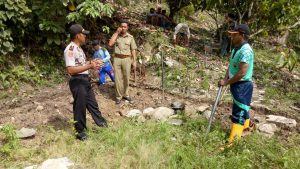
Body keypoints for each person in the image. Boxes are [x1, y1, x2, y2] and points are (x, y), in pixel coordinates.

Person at [64, 24, 108, 141]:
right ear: (78, 35)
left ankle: (102, 124)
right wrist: (89, 65)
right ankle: (80, 131)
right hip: (77, 81)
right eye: (83, 34)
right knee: (80, 107)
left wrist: (92, 63)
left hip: (85, 80)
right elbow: (71, 69)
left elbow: (81, 64)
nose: (85, 37)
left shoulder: (79, 49)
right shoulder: (70, 49)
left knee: (93, 104)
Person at [218, 24, 254, 144]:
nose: (231, 37)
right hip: (236, 84)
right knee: (242, 107)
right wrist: (225, 78)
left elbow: (242, 73)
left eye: (234, 35)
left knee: (239, 112)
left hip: (242, 86)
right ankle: (248, 127)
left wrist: (227, 82)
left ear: (242, 35)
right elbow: (232, 66)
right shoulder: (236, 48)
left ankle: (232, 143)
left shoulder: (246, 51)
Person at [108, 21, 137, 104]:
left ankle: (126, 94)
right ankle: (118, 96)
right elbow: (110, 44)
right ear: (119, 27)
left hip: (127, 59)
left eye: (125, 27)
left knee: (126, 77)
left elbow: (133, 49)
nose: (123, 28)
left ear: (127, 28)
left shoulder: (130, 37)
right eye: (121, 26)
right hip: (117, 59)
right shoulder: (116, 36)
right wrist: (117, 32)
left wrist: (134, 61)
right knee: (117, 78)